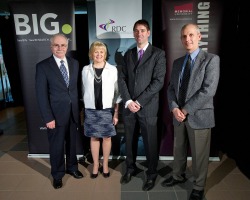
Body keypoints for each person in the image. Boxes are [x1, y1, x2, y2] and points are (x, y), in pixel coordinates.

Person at [161, 23, 220, 200]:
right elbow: (171, 88)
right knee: (178, 149)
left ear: (199, 36)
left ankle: (199, 186)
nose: (188, 39)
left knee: (199, 155)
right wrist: (174, 107)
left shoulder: (211, 59)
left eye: (191, 35)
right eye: (184, 36)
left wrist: (185, 109)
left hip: (199, 116)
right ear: (181, 39)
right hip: (178, 115)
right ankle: (177, 176)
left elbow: (208, 90)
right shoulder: (178, 62)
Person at [118, 19, 166, 191]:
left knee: (150, 143)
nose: (139, 34)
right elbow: (122, 79)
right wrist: (129, 101)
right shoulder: (128, 54)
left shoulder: (158, 54)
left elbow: (158, 82)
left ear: (149, 32)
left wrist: (138, 101)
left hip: (148, 107)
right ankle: (130, 169)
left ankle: (152, 174)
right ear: (133, 33)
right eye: (136, 30)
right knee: (129, 141)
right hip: (130, 107)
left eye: (143, 30)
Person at [35, 33, 83, 189]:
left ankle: (72, 168)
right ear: (51, 47)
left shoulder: (74, 63)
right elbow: (41, 95)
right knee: (56, 147)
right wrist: (48, 117)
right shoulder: (43, 66)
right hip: (55, 116)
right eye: (56, 45)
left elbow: (75, 90)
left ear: (67, 47)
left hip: (73, 113)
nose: (60, 48)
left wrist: (79, 110)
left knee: (72, 144)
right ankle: (57, 175)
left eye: (63, 45)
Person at [81, 41, 121, 179]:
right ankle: (96, 165)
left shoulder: (113, 70)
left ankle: (105, 164)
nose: (98, 54)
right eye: (96, 52)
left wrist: (116, 113)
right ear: (92, 54)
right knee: (94, 137)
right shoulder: (85, 70)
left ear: (105, 54)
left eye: (101, 52)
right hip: (91, 110)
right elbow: (83, 91)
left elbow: (117, 94)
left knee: (107, 137)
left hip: (107, 110)